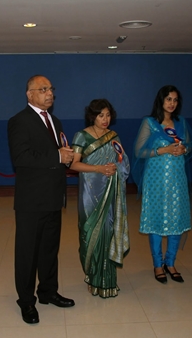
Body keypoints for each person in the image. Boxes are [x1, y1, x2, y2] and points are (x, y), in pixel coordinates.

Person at [7, 75, 75, 324]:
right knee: (27, 252)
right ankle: (26, 301)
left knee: (49, 249)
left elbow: (56, 153)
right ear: (30, 94)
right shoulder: (19, 121)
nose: (49, 93)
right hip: (31, 200)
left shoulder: (54, 121)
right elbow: (21, 157)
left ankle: (48, 291)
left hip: (53, 196)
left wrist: (66, 157)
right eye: (43, 89)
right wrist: (57, 156)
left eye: (51, 89)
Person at [133, 85, 192, 284]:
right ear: (161, 100)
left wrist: (183, 150)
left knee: (176, 219)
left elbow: (188, 145)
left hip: (177, 179)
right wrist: (163, 150)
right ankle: (157, 264)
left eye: (175, 100)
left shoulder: (180, 122)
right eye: (168, 99)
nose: (172, 103)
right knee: (156, 219)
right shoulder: (150, 122)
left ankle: (170, 262)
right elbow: (139, 151)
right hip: (156, 180)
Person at [70, 99, 130, 298]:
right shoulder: (81, 136)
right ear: (92, 116)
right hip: (90, 193)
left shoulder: (113, 136)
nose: (105, 119)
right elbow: (74, 165)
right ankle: (92, 275)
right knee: (89, 233)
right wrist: (99, 168)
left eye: (108, 115)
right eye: (100, 115)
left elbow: (123, 161)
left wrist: (116, 167)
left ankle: (107, 281)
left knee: (108, 232)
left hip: (110, 190)